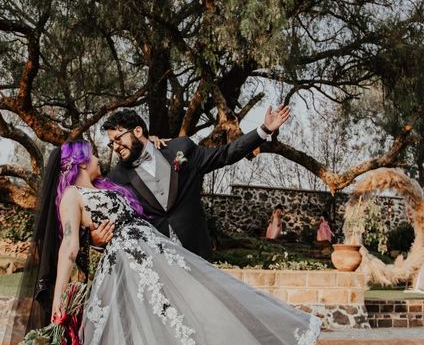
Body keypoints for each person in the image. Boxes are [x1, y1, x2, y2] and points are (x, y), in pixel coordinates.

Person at [7, 140, 319, 345]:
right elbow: (70, 246)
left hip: (157, 254)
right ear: (79, 162)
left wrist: (153, 142)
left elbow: (143, 169)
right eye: (91, 153)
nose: (99, 154)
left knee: (190, 316)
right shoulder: (71, 197)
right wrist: (58, 303)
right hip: (128, 268)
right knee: (142, 338)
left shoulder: (108, 186)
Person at [99, 105, 291, 259]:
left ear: (138, 131)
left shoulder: (180, 148)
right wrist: (95, 238)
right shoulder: (116, 179)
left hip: (197, 252)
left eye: (117, 138)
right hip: (156, 262)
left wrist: (264, 130)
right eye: (111, 143)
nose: (115, 147)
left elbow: (225, 154)